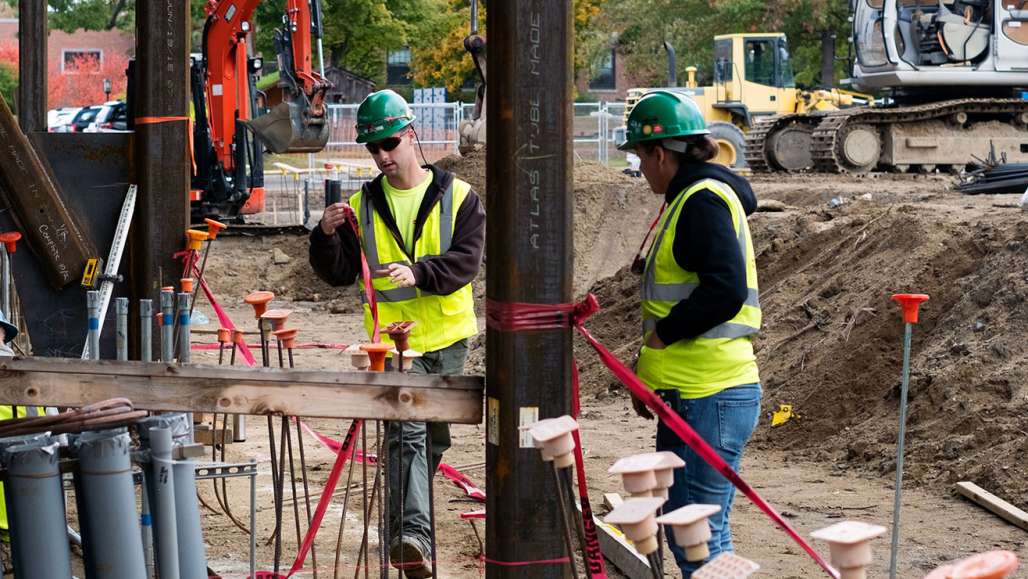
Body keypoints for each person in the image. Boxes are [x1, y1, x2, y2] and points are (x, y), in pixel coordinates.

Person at [309, 89, 485, 579]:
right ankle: (410, 539)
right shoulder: (361, 206)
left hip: (447, 339)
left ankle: (409, 530)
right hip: (390, 343)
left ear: (411, 135)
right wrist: (323, 237)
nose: (382, 156)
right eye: (373, 149)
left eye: (389, 143)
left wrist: (420, 272)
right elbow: (340, 272)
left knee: (430, 441)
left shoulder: (459, 197)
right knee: (405, 436)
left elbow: (466, 263)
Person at [618, 90, 762, 577]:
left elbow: (725, 290)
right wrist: (651, 374)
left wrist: (660, 339)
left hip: (711, 395)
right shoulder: (694, 198)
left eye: (640, 157)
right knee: (692, 532)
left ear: (661, 153)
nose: (640, 169)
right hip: (695, 394)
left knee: (700, 536)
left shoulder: (700, 202)